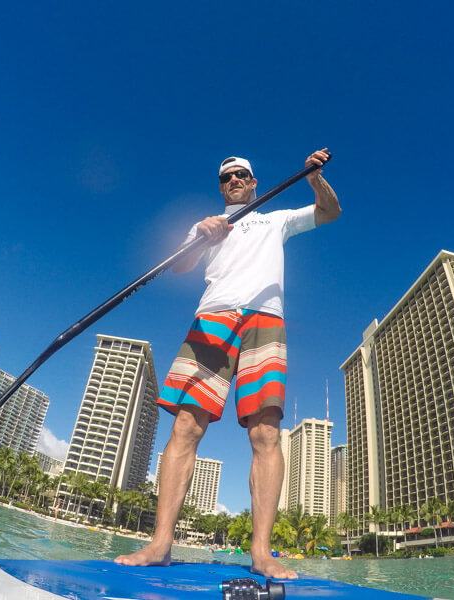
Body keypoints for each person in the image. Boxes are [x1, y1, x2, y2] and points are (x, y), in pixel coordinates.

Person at [115, 149, 340, 579]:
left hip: (265, 319)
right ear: (222, 187)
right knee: (186, 426)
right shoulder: (205, 226)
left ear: (254, 181)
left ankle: (261, 553)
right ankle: (160, 544)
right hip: (213, 316)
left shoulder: (276, 219)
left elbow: (329, 212)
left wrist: (315, 178)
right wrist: (202, 234)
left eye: (242, 174)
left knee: (266, 433)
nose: (235, 179)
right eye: (227, 177)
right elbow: (179, 266)